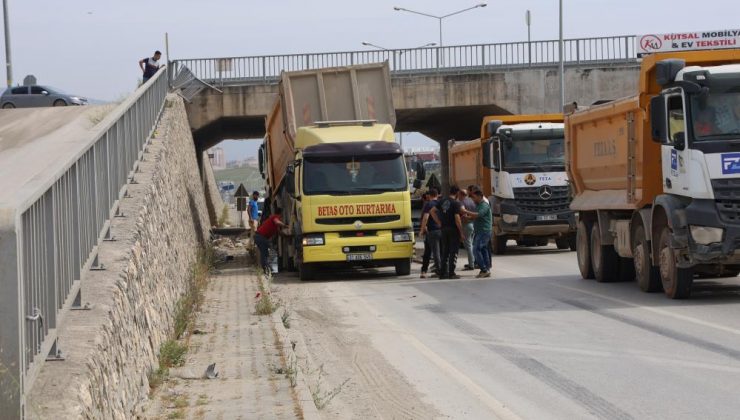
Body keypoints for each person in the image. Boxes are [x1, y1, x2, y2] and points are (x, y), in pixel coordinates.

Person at [430, 186, 464, 279]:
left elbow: (432, 211)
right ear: (457, 193)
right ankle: (451, 273)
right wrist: (461, 232)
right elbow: (457, 219)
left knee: (445, 251)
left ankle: (442, 273)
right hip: (453, 229)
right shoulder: (455, 203)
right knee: (453, 252)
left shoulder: (442, 201)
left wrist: (439, 222)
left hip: (443, 229)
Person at [463, 190, 493, 278]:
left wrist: (466, 211)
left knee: (476, 249)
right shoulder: (479, 205)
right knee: (483, 249)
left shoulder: (484, 205)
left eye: (474, 197)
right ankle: (486, 269)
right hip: (480, 231)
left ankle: (484, 269)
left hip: (484, 231)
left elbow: (478, 215)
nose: (473, 199)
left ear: (480, 196)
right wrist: (468, 218)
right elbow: (476, 217)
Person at [254, 207, 286, 274]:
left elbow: (279, 232)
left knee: (265, 253)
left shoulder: (273, 221)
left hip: (259, 237)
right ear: (280, 214)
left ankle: (267, 268)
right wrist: (285, 226)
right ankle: (266, 269)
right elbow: (277, 222)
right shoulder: (275, 217)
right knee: (266, 253)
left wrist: (286, 235)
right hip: (261, 237)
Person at [419, 188, 441, 279]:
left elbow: (425, 218)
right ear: (437, 195)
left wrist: (422, 229)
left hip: (431, 231)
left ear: (430, 195)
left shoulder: (429, 204)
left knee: (433, 252)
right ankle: (424, 270)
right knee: (437, 251)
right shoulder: (440, 204)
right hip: (441, 230)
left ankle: (438, 271)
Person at [458, 188, 477, 270]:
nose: (458, 196)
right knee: (472, 244)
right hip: (474, 224)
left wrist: (464, 216)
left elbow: (462, 211)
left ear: (461, 195)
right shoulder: (472, 201)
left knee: (468, 245)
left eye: (459, 195)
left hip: (467, 225)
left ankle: (471, 264)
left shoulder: (462, 202)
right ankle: (474, 261)